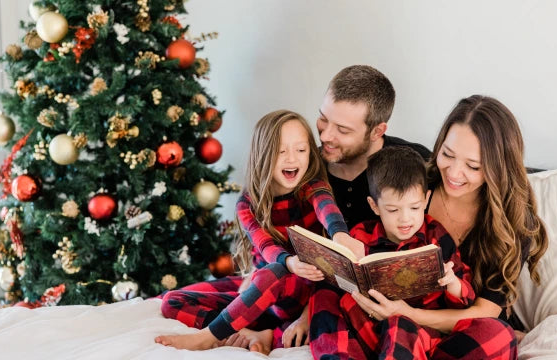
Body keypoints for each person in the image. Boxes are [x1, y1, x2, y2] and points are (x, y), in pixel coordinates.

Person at [332, 95, 549, 359]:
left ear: (497, 168)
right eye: (447, 154)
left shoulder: (514, 222)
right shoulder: (416, 185)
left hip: (453, 333)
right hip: (387, 324)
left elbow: (486, 311)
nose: (454, 173)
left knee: (498, 335)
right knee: (335, 304)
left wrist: (409, 314)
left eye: (473, 166)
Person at [155, 110, 355, 354]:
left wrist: (340, 235)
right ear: (263, 155)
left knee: (275, 273)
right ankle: (245, 333)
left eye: (301, 150)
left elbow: (327, 209)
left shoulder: (313, 187)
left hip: (301, 292)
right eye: (281, 151)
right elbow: (266, 247)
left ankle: (211, 336)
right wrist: (286, 263)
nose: (292, 159)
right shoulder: (248, 203)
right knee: (171, 301)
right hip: (261, 292)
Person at [309, 146, 476, 359]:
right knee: (325, 291)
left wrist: (452, 283)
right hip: (369, 328)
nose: (405, 219)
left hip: (420, 331)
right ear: (375, 206)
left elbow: (467, 297)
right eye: (393, 210)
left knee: (402, 325)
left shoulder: (436, 236)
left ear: (426, 199)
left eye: (415, 208)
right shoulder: (360, 235)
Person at [316, 65, 432, 232]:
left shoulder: (418, 163)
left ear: (377, 132)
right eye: (323, 118)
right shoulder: (303, 165)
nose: (324, 136)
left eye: (343, 130)